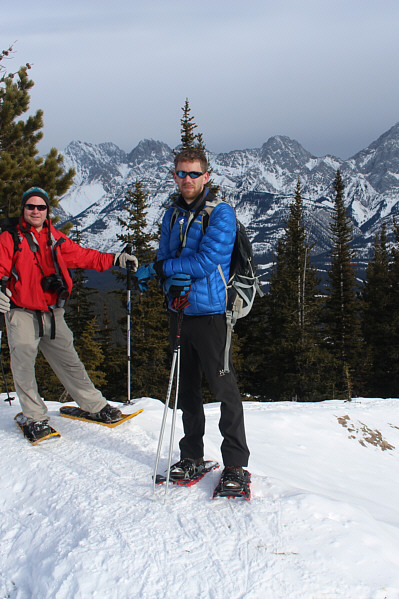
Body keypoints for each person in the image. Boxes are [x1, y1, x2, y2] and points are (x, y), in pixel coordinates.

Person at [0, 186, 138, 444]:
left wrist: (114, 259)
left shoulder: (54, 238)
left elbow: (83, 256)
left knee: (70, 361)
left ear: (47, 211)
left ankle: (95, 405)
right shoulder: (9, 238)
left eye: (40, 207)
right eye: (30, 206)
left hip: (52, 312)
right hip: (21, 311)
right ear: (23, 209)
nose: (35, 211)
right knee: (24, 363)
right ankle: (34, 416)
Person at [136, 147, 251, 496]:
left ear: (206, 176)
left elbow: (206, 261)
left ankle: (235, 465)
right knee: (186, 390)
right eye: (182, 173)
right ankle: (191, 456)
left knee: (224, 388)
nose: (187, 179)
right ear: (175, 176)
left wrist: (162, 269)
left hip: (212, 313)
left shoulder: (221, 213)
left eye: (194, 173)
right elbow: (165, 256)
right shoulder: (171, 215)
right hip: (179, 311)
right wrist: (165, 278)